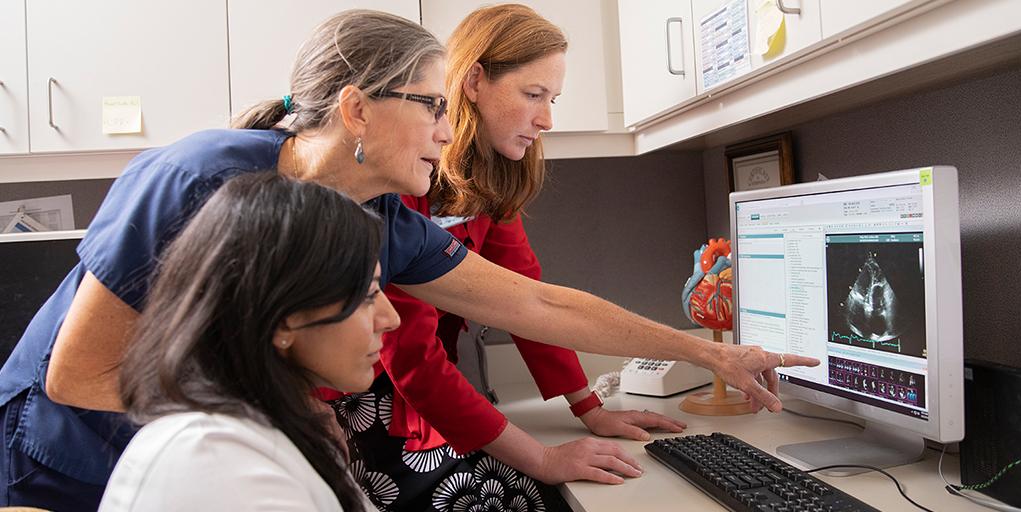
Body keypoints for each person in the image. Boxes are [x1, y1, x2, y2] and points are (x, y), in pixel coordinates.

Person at [0, 9, 815, 510]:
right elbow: (78, 379)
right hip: (68, 461)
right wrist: (282, 424)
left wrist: (710, 351)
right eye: (431, 105)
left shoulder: (374, 216)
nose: (442, 127)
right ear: (356, 108)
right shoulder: (197, 180)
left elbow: (537, 305)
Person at [335, 6, 684, 510]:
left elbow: (531, 303)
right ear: (474, 80)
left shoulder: (491, 181)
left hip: (427, 394)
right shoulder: (405, 178)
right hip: (376, 401)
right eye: (533, 94)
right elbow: (409, 354)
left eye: (553, 98)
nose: (546, 119)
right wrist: (542, 460)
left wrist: (589, 407)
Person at [99, 172, 393, 511]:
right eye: (367, 295)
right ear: (282, 318)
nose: (390, 319)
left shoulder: (276, 430)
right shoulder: (213, 460)